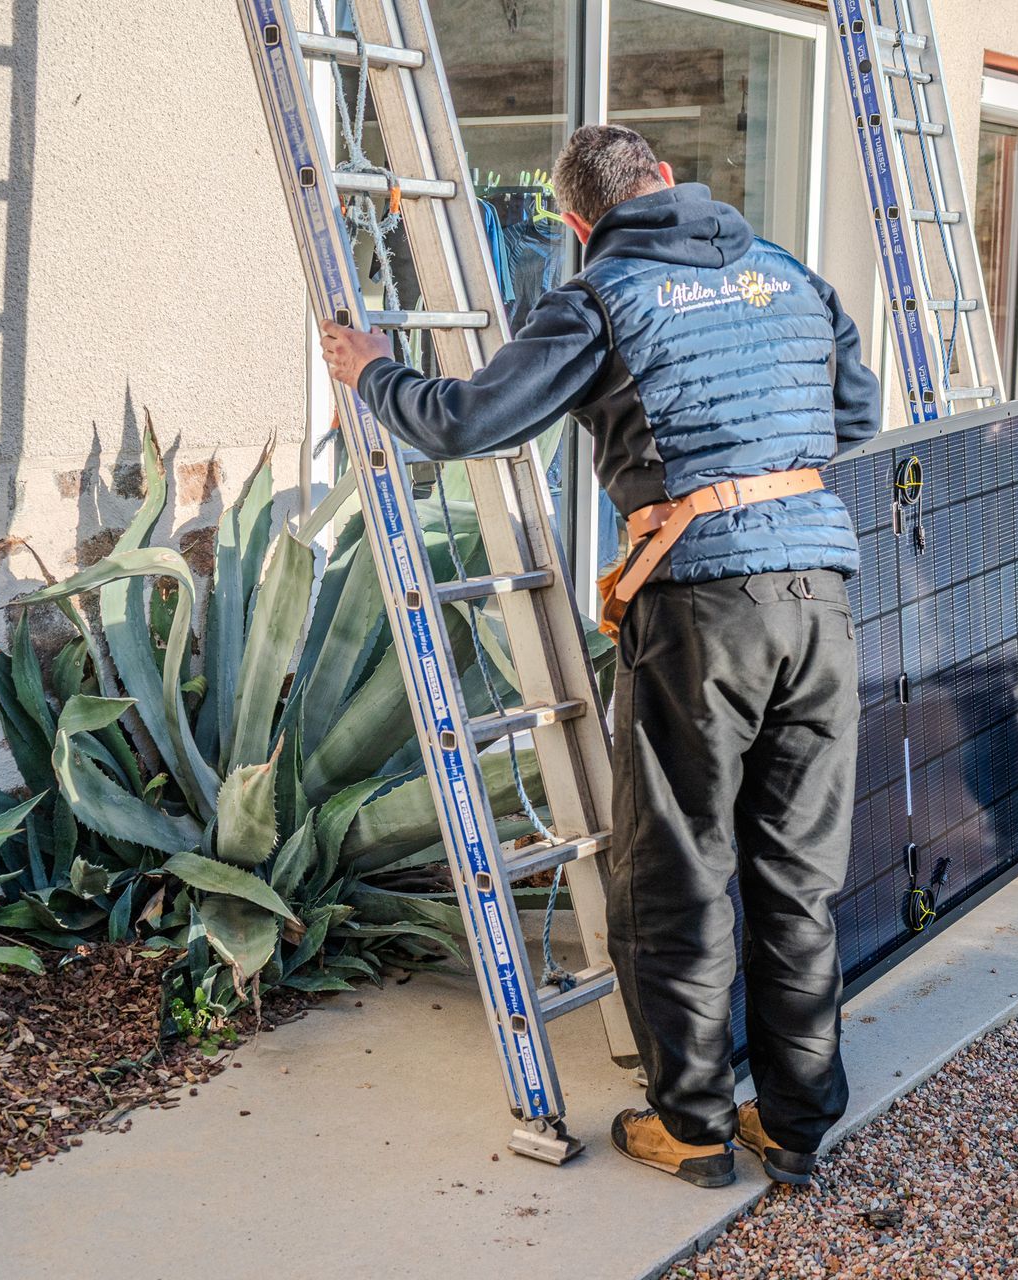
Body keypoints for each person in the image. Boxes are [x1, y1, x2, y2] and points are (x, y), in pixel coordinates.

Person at [318, 125, 880, 1189]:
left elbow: (469, 420)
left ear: (578, 222)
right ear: (666, 178)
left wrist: (373, 370)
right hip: (821, 599)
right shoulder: (791, 275)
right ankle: (795, 1124)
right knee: (798, 876)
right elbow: (855, 412)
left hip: (704, 608)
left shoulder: (602, 294)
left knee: (678, 869)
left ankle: (694, 1126)